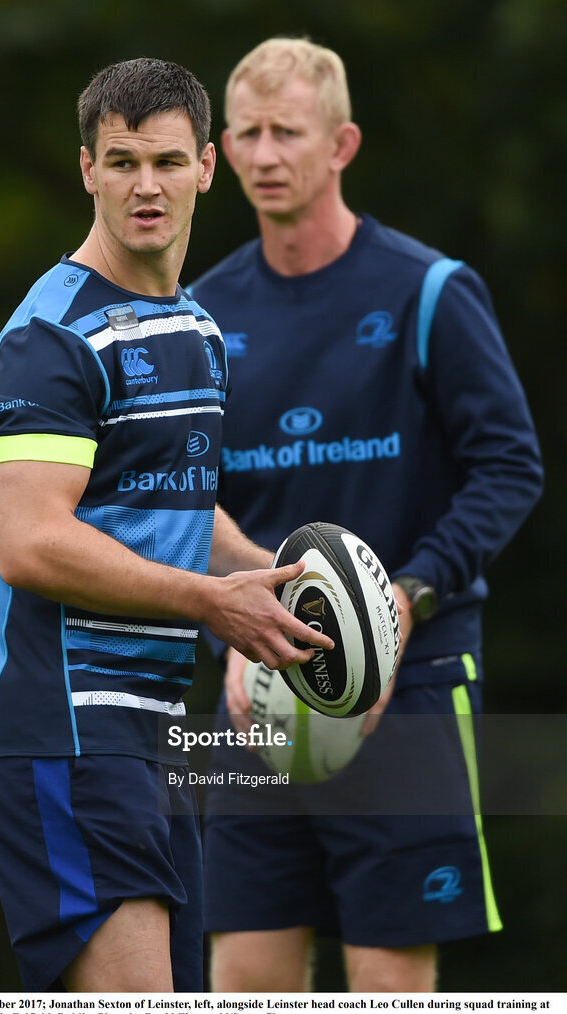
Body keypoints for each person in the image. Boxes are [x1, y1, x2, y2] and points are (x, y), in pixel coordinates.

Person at [0, 56, 333, 994]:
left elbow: (167, 504)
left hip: (152, 739)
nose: (146, 187)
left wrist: (278, 582)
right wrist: (213, 605)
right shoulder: (51, 340)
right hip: (62, 733)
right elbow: (33, 540)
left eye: (166, 162)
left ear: (207, 167)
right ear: (86, 168)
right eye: (121, 162)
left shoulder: (194, 328)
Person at [189, 38, 543, 993]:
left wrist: (402, 599)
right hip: (258, 681)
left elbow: (511, 468)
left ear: (341, 143)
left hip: (411, 683)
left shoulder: (429, 292)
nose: (265, 156)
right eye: (248, 135)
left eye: (288, 133)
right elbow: (181, 493)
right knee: (246, 978)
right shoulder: (202, 313)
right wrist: (230, 606)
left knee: (387, 980)